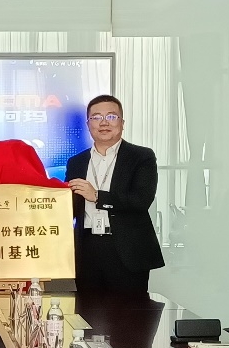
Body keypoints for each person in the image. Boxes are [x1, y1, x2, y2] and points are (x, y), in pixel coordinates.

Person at [66, 95, 164, 294]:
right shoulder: (76, 162)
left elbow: (141, 200)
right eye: (96, 117)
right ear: (88, 124)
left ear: (122, 123)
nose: (104, 123)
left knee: (130, 311)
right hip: (87, 249)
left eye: (111, 116)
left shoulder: (141, 157)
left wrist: (98, 196)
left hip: (127, 250)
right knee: (87, 309)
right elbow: (70, 208)